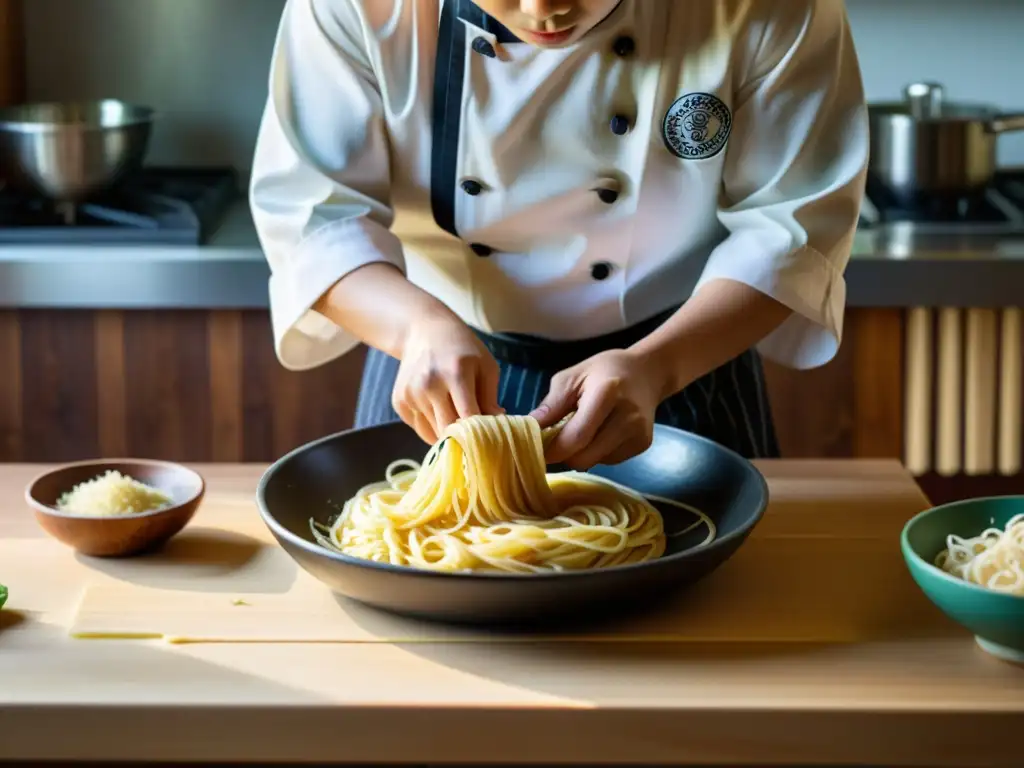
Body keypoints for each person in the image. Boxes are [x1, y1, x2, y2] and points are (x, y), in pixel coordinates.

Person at [250, 0, 868, 469]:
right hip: (439, 367)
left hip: (684, 363)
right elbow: (316, 217)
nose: (545, 8)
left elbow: (791, 229)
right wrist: (415, 328)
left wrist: (658, 367)